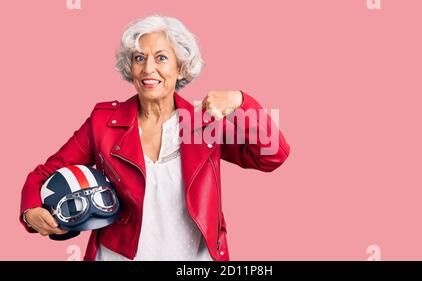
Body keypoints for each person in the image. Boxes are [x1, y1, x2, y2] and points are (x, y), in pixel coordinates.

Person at [19, 14, 290, 261]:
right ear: (131, 67)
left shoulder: (203, 124)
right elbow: (44, 174)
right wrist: (31, 213)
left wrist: (242, 102)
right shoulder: (104, 122)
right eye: (139, 58)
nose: (149, 69)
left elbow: (273, 155)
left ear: (180, 68)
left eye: (161, 58)